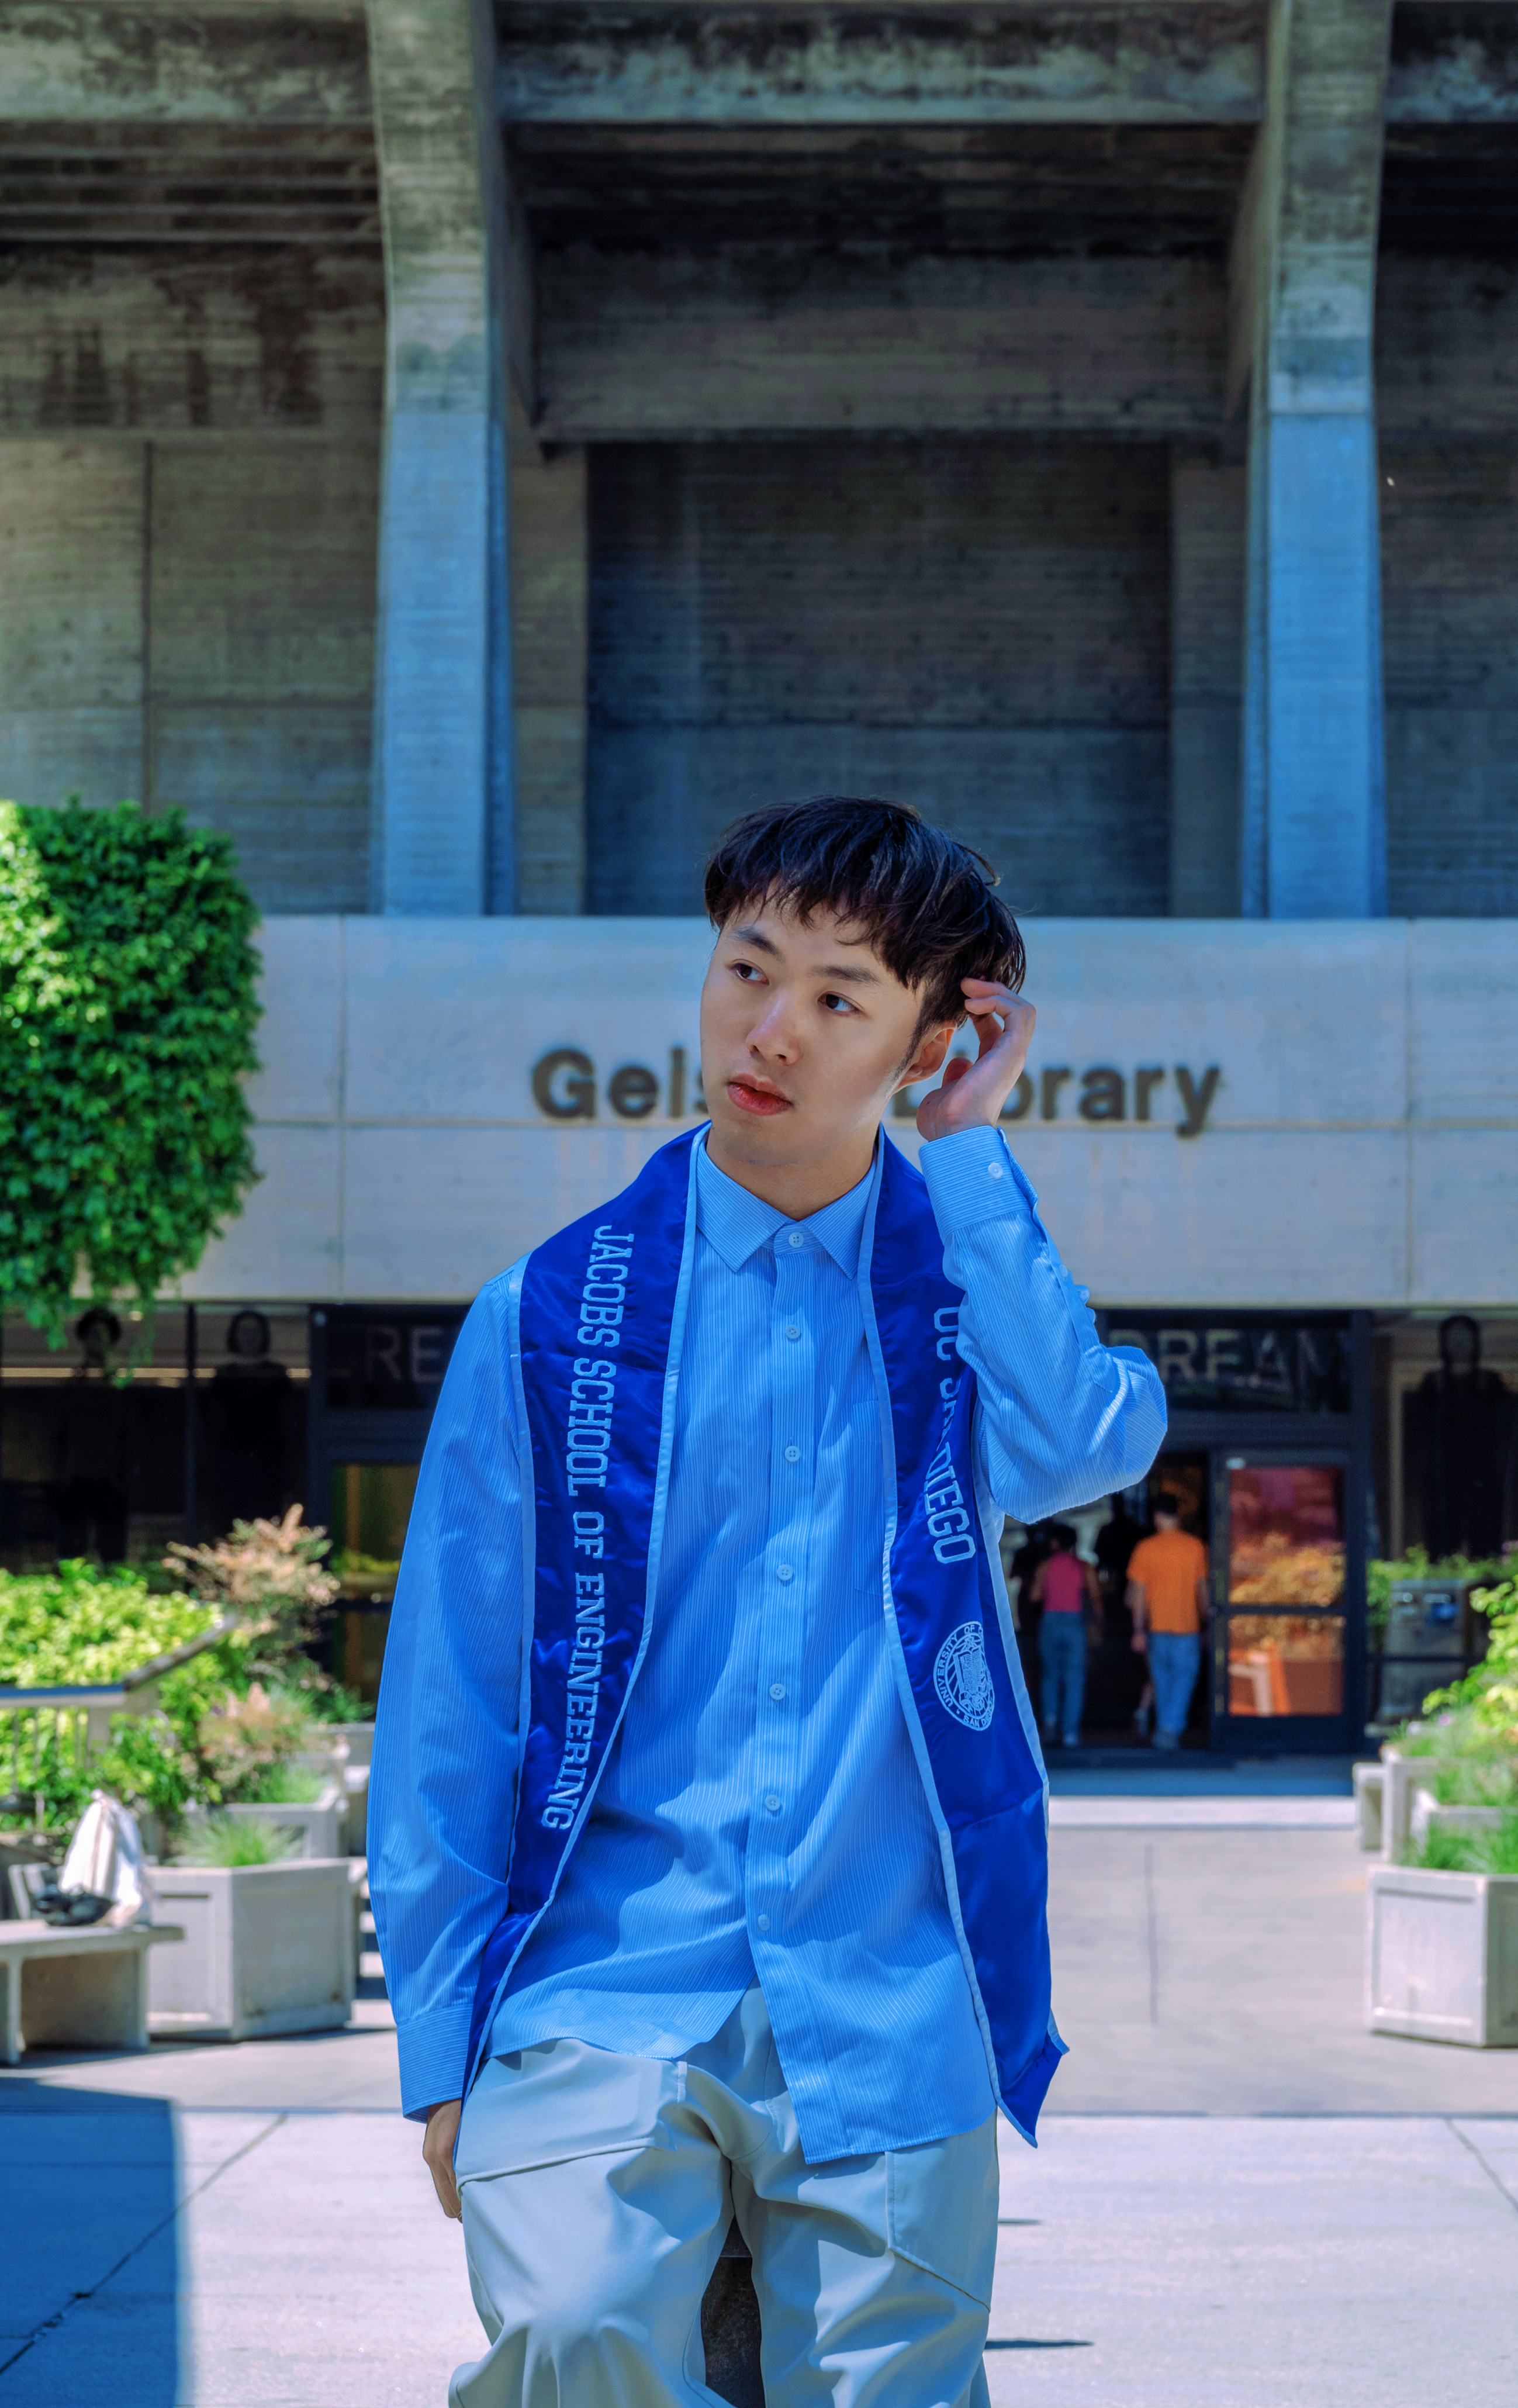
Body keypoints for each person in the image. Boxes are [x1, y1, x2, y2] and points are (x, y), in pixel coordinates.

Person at [369, 797, 1166, 2408]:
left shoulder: (948, 1298)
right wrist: (440, 2042)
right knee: (576, 2336)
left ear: (928, 1032)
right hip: (597, 1981)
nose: (770, 1028)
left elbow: (1087, 1439)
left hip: (881, 1984)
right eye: (747, 966)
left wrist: (970, 1142)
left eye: (838, 994)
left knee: (893, 2385)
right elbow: (451, 1696)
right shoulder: (554, 1312)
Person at [1126, 1493, 1210, 1750]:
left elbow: (1137, 1595)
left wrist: (1138, 1629)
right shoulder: (1195, 1547)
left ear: (1156, 1517)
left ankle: (1167, 1729)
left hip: (1157, 1627)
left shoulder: (1145, 1549)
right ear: (1177, 1515)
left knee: (1161, 1681)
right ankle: (1169, 1729)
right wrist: (1208, 1620)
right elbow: (1203, 1590)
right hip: (1188, 1627)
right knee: (1184, 1679)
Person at [1029, 1524, 1101, 1748]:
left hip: (1050, 1622)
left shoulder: (1045, 1566)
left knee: (1050, 1674)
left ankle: (1050, 1722)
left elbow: (1034, 1596)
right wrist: (1099, 1624)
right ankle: (1071, 1734)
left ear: (1055, 1543)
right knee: (1074, 1679)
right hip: (1074, 1624)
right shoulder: (1084, 1567)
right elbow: (1096, 1599)